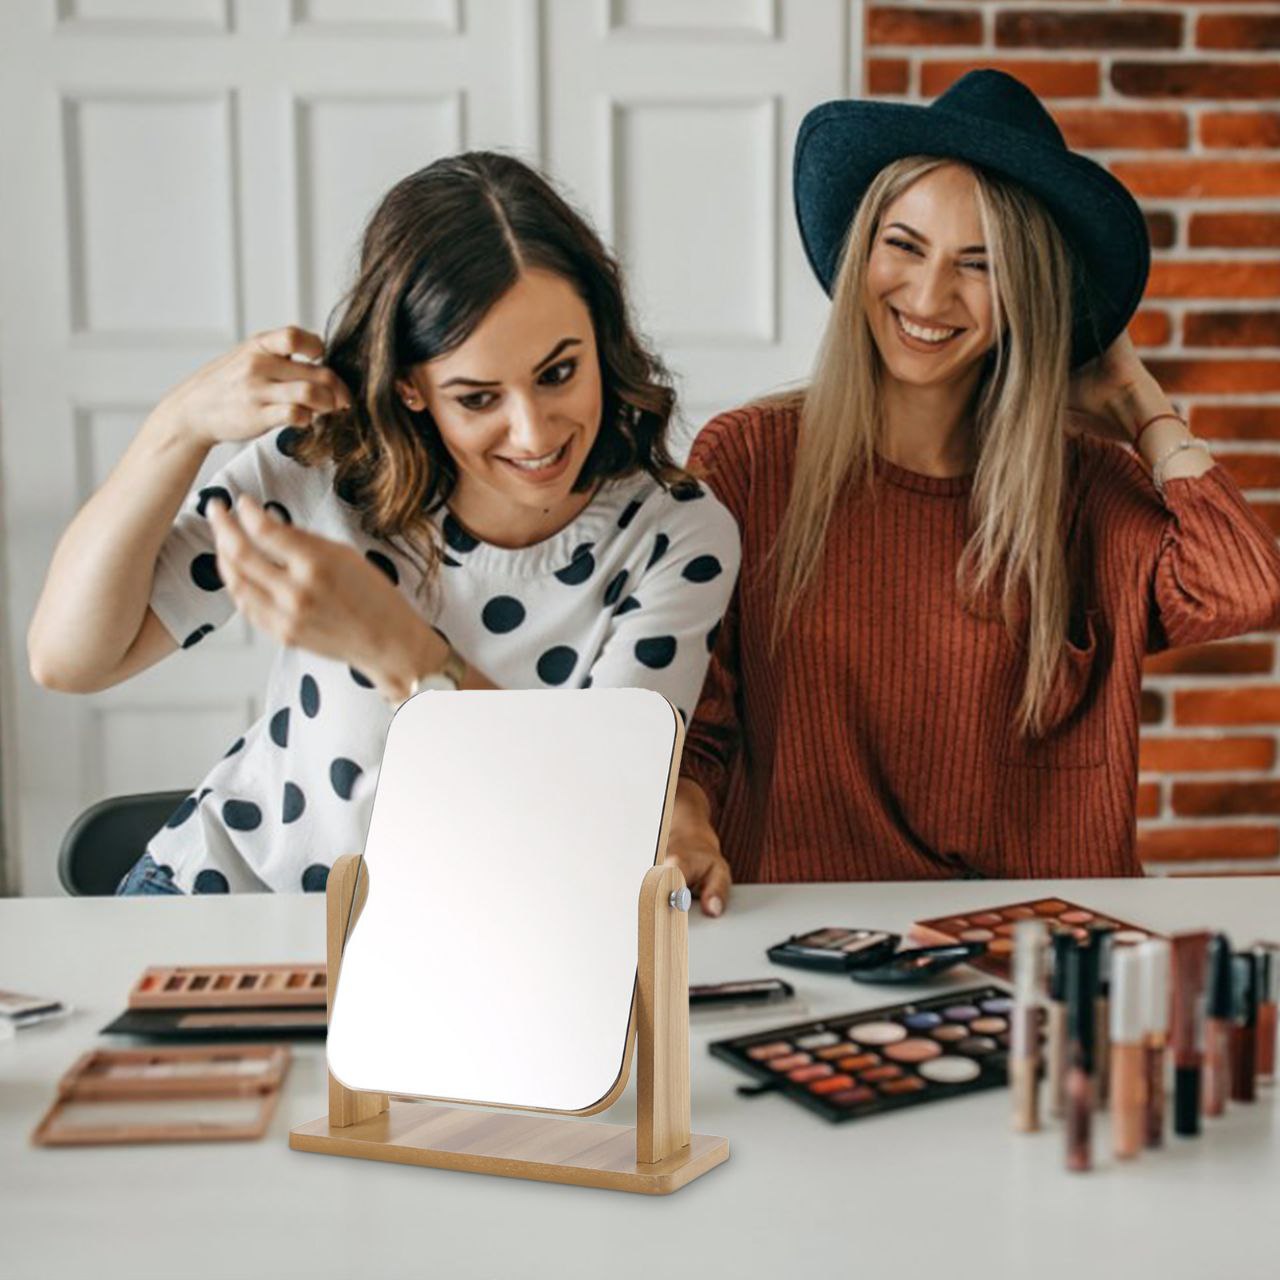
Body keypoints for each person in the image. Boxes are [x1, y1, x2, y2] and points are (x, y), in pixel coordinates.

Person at [29, 152, 739, 894]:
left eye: (559, 372)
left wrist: (401, 651)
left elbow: (607, 821)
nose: (533, 434)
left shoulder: (674, 536)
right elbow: (70, 659)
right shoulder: (322, 472)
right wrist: (178, 428)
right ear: (409, 386)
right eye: (477, 397)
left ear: (601, 338)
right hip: (221, 906)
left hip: (467, 953)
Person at [664, 70, 1280, 910]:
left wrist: (1139, 401)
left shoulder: (1087, 487)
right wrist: (684, 816)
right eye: (905, 245)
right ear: (861, 250)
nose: (926, 296)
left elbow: (1245, 585)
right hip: (809, 933)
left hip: (1040, 946)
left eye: (980, 266)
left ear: (1026, 294)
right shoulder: (751, 458)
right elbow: (700, 719)